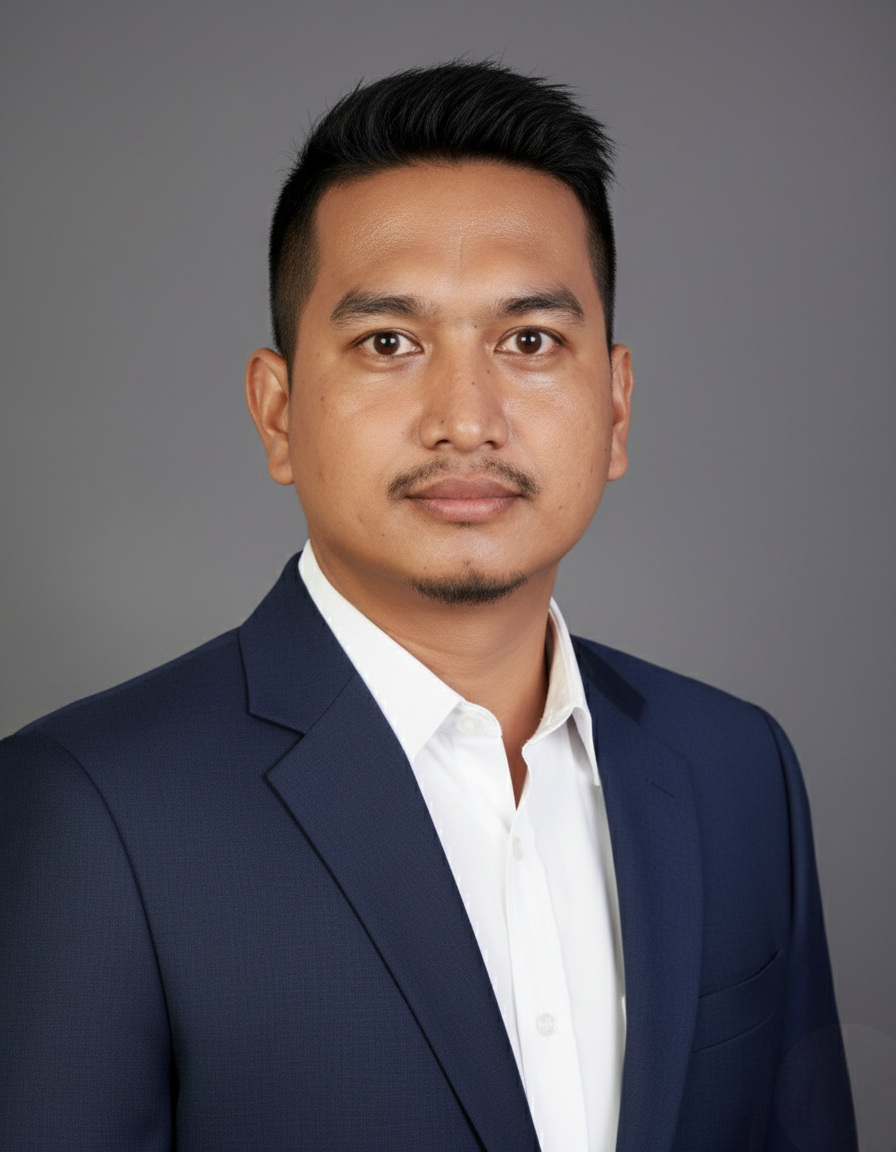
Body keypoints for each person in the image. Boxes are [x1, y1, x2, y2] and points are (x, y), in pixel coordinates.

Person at [0, 61, 855, 1152]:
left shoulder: (737, 768)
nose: (466, 418)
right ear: (277, 412)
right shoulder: (89, 811)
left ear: (615, 405)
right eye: (388, 343)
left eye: (529, 341)